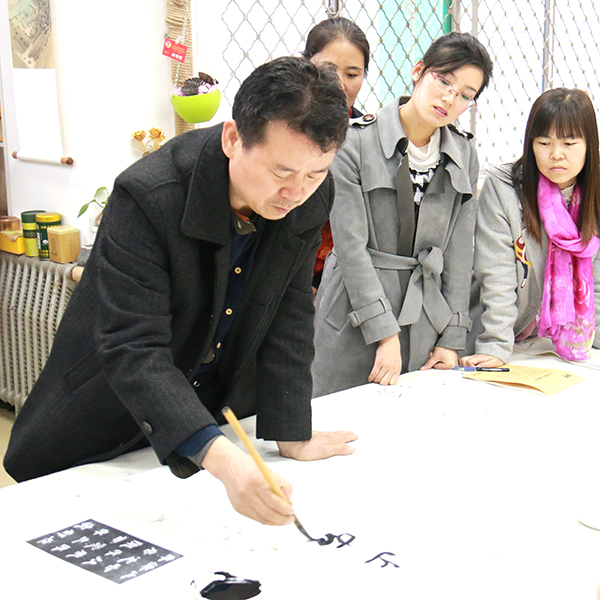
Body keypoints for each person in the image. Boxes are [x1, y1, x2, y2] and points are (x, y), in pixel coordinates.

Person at [4, 57, 357, 526]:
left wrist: (291, 430)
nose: (296, 192)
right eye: (281, 172)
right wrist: (221, 458)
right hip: (104, 415)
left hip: (206, 412)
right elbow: (133, 346)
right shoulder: (150, 195)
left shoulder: (311, 195)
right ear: (233, 138)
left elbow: (288, 310)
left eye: (315, 174)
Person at [312, 32, 493, 397]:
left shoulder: (463, 153)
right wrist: (384, 333)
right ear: (418, 70)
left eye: (465, 95)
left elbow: (460, 253)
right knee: (340, 418)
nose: (450, 98)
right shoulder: (354, 141)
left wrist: (452, 336)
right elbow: (350, 248)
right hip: (352, 315)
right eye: (444, 81)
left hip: (426, 320)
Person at [463, 88, 600, 367]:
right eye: (544, 142)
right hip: (503, 332)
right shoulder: (503, 187)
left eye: (569, 143)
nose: (556, 154)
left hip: (557, 342)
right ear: (531, 144)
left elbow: (596, 279)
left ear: (589, 144)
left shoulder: (594, 194)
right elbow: (496, 274)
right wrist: (495, 345)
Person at [302, 17, 371, 290]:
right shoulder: (280, 130)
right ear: (305, 64)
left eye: (352, 75)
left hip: (346, 283)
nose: (339, 84)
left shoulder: (368, 138)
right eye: (328, 70)